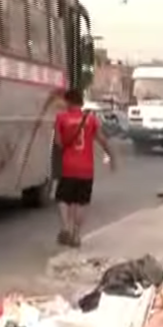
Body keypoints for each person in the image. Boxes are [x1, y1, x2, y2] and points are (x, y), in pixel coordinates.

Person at [53, 88, 116, 247]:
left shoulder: (61, 118)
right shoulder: (91, 120)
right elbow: (102, 140)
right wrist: (112, 157)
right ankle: (76, 234)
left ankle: (66, 227)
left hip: (68, 167)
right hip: (86, 169)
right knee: (81, 202)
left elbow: (59, 143)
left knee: (63, 199)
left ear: (68, 101)